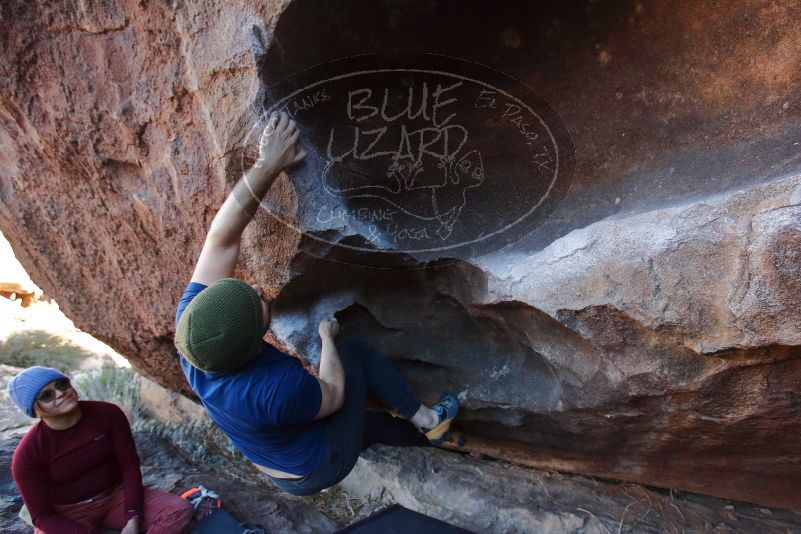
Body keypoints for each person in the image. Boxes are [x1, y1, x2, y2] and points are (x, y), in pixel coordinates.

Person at [174, 110, 460, 496]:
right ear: (253, 342)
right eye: (256, 301)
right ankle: (428, 420)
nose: (255, 287)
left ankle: (440, 439)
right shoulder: (275, 389)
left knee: (368, 425)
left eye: (241, 288)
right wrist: (327, 341)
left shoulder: (196, 333)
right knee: (353, 355)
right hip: (314, 469)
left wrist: (268, 164)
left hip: (280, 450)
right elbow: (334, 394)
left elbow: (221, 237)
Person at [8, 366, 193, 534]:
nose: (60, 393)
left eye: (62, 384)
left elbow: (129, 465)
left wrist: (133, 517)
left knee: (178, 510)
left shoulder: (108, 414)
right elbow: (42, 516)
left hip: (116, 497)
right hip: (69, 511)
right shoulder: (28, 454)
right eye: (46, 396)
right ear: (34, 410)